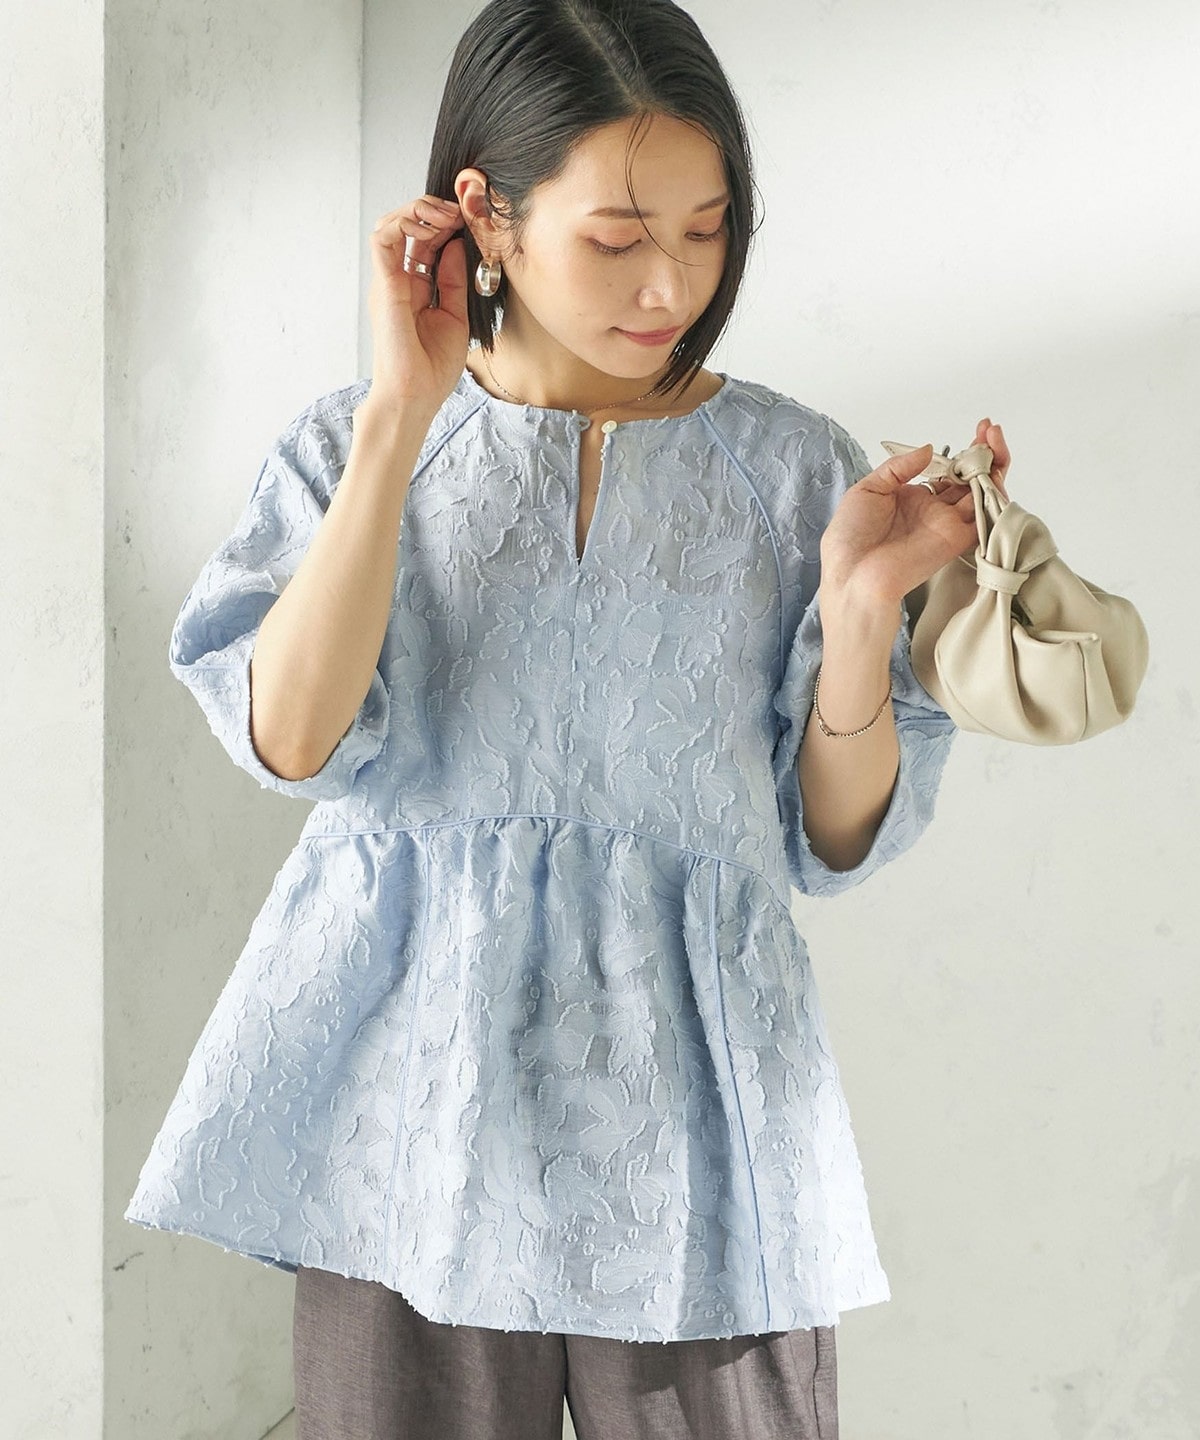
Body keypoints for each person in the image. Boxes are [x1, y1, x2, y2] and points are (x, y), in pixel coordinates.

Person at [124, 1, 1012, 1436]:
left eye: (707, 231)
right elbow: (290, 741)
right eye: (616, 238)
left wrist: (860, 612)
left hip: (701, 1119)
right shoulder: (350, 442)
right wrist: (401, 416)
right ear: (487, 214)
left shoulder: (797, 472)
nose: (670, 284)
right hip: (405, 1117)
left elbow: (830, 840)